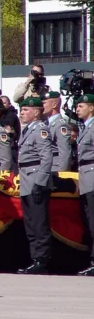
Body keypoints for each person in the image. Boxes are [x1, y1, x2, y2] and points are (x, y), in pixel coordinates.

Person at [17, 97, 54, 275]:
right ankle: (35, 259)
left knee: (39, 223)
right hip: (26, 181)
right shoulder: (26, 131)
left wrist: (40, 182)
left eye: (25, 110)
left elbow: (46, 158)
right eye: (22, 110)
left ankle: (42, 260)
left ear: (37, 112)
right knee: (30, 224)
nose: (22, 113)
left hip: (35, 181)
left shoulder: (40, 130)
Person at [75, 94, 94, 276]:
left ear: (91, 108)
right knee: (89, 222)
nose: (77, 109)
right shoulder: (84, 128)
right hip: (86, 177)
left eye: (81, 106)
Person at [42, 91, 73, 173]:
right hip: (46, 168)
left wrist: (63, 172)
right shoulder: (45, 124)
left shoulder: (60, 125)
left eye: (44, 103)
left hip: (55, 169)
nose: (42, 106)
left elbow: (65, 151)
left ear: (54, 105)